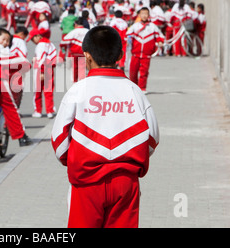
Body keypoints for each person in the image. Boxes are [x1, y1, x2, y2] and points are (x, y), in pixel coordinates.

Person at [51, 25, 160, 228]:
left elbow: (59, 142)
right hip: (126, 182)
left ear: (86, 56)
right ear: (120, 54)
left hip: (86, 182)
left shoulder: (77, 91)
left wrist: (75, 159)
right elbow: (152, 138)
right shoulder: (135, 91)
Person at [127, 7, 164, 93]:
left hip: (146, 55)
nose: (144, 15)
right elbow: (128, 36)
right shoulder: (135, 26)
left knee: (144, 72)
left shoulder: (153, 27)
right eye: (142, 13)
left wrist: (160, 42)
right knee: (133, 72)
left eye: (146, 14)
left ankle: (142, 88)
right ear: (139, 15)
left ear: (148, 15)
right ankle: (134, 88)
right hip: (135, 54)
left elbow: (160, 36)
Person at [27, 28, 57, 119]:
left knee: (37, 91)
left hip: (41, 70)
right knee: (48, 91)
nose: (32, 41)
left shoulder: (41, 45)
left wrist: (42, 71)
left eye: (33, 39)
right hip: (49, 69)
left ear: (38, 36)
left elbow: (42, 59)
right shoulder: (50, 44)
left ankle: (38, 111)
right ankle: (50, 111)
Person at [61, 18, 89, 82]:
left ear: (75, 24)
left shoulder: (73, 32)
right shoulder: (87, 31)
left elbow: (64, 41)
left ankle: (75, 82)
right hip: (84, 52)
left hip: (74, 53)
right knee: (82, 68)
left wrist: (64, 49)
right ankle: (82, 82)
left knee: (75, 68)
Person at [10, 26, 30, 108]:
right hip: (16, 68)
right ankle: (15, 109)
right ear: (22, 34)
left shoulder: (7, 39)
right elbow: (23, 55)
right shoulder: (20, 41)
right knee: (17, 90)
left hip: (4, 68)